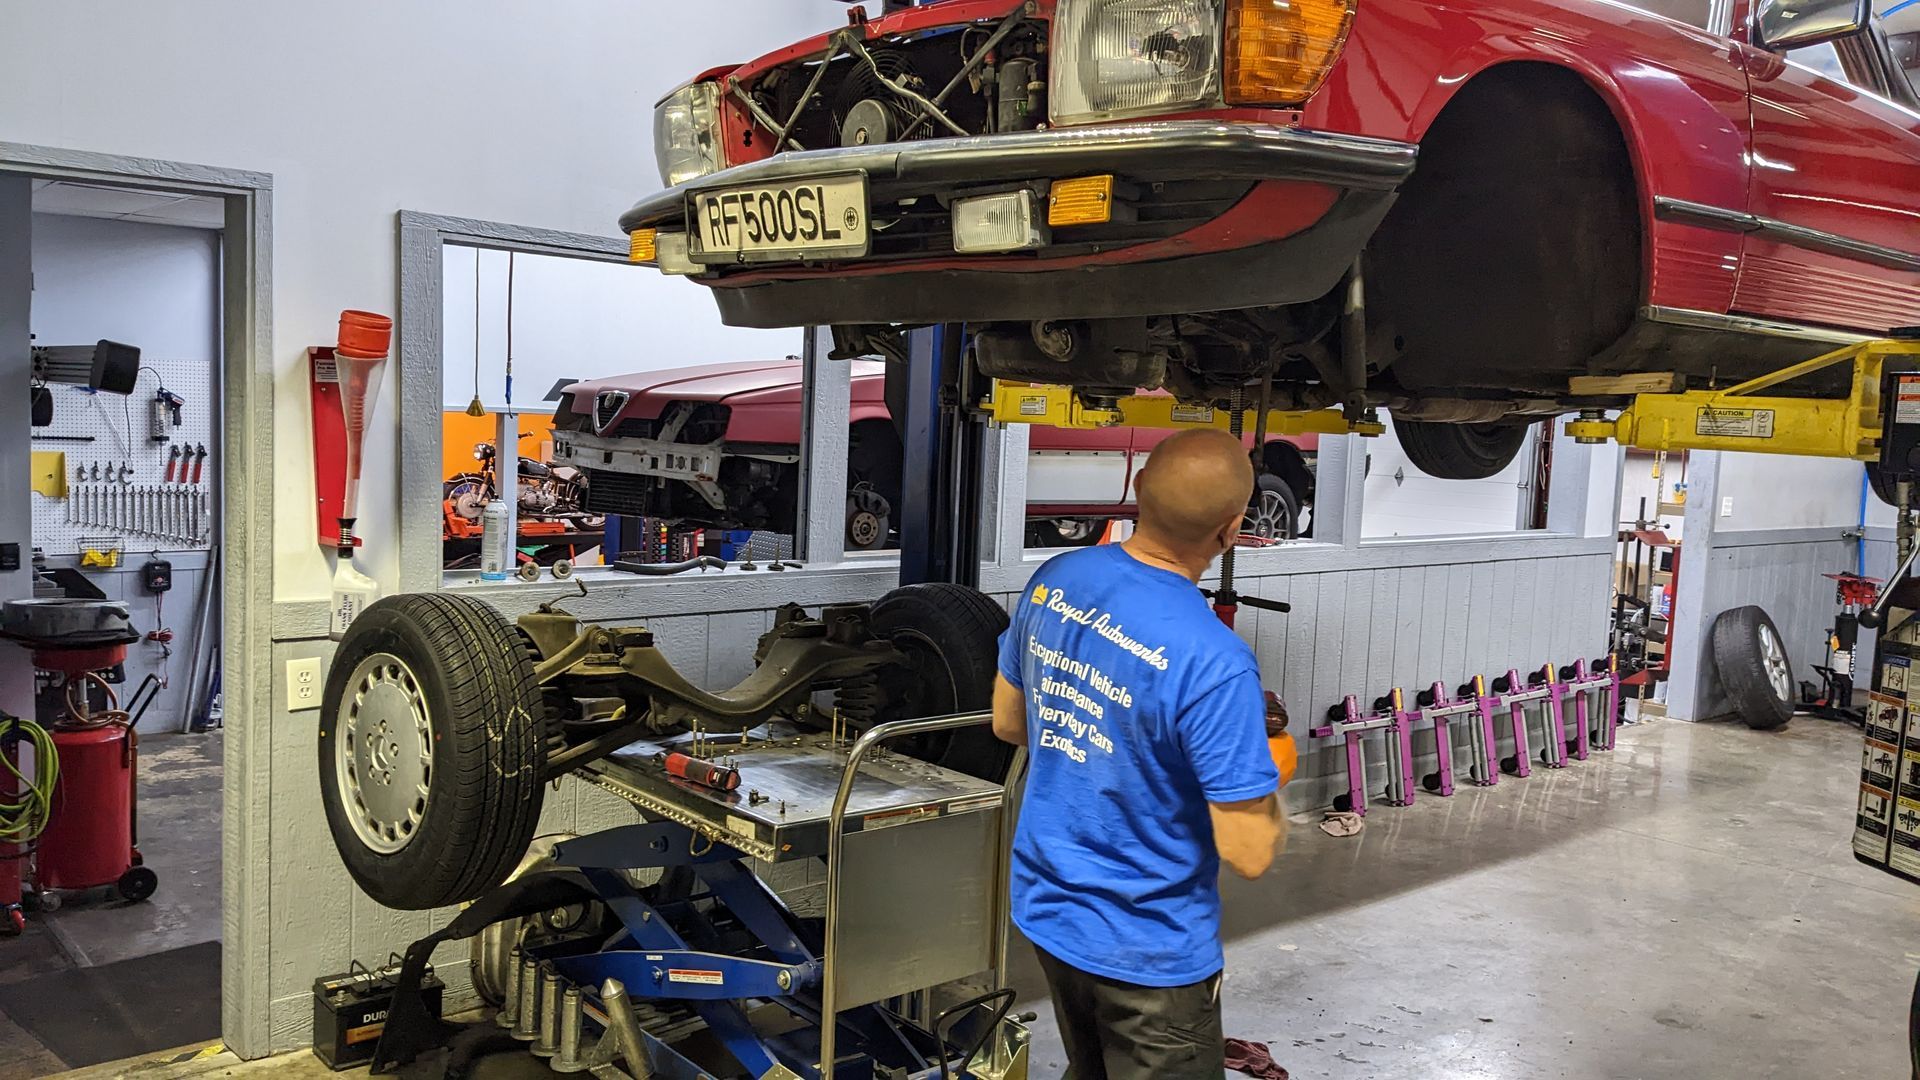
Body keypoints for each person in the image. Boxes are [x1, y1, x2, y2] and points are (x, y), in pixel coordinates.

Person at [992, 427, 1288, 1080]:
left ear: (1136, 490)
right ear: (1232, 529)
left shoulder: (1057, 579)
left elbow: (1009, 723)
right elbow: (1250, 852)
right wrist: (1265, 773)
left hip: (1049, 909)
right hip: (1148, 952)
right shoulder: (1215, 662)